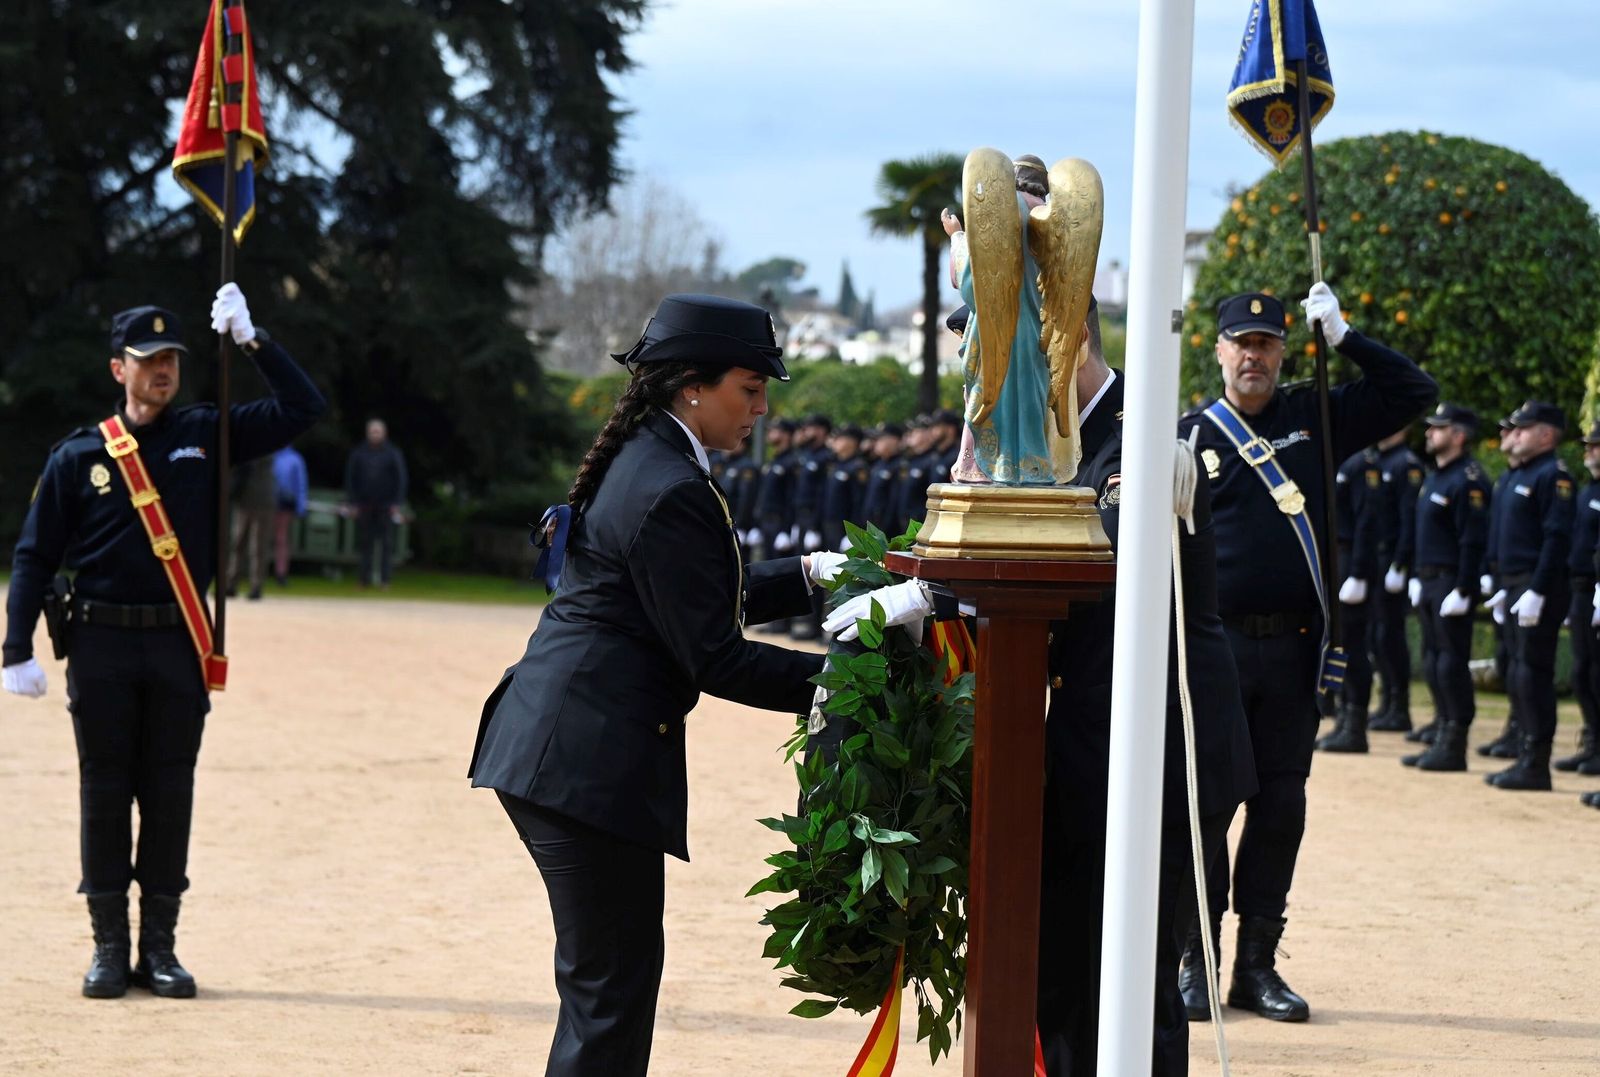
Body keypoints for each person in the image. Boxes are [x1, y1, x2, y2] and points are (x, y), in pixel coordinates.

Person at [823, 306, 1256, 1074]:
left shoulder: (1139, 442)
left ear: (1068, 341)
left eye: (1004, 361)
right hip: (1087, 745)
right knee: (1060, 969)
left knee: (1131, 984)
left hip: (1156, 752)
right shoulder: (1060, 446)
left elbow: (1096, 562)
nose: (990, 386)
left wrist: (937, 595)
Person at [467, 294, 843, 1077]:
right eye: (750, 388)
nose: (762, 408)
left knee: (609, 992)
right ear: (692, 386)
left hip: (567, 750)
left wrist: (806, 573)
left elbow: (686, 594)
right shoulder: (672, 483)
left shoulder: (651, 457)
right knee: (609, 998)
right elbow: (716, 655)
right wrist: (852, 681)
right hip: (582, 763)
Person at [2, 285, 325, 999]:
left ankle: (161, 948)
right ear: (118, 369)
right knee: (104, 793)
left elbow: (304, 409)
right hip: (100, 646)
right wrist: (15, 646)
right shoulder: (78, 455)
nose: (163, 370)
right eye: (148, 360)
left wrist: (253, 341)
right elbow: (34, 555)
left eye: (171, 358)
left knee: (170, 793)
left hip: (177, 646)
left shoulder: (206, 434)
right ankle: (109, 947)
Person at [1176, 284, 1436, 1022]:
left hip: (1294, 651)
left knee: (1281, 807)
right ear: (1219, 351)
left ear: (1284, 353)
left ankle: (1256, 966)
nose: (1253, 357)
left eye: (1266, 345)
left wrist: (1347, 337)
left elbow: (1414, 392)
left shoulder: (1314, 416)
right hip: (1218, 649)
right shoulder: (1190, 436)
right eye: (1242, 343)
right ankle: (1197, 958)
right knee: (1207, 806)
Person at [1482, 401, 1575, 791]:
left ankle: (1536, 763)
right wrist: (1496, 580)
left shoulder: (1553, 475)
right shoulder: (1517, 474)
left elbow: (1557, 538)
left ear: (1546, 434)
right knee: (1517, 671)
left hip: (1537, 585)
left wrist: (1538, 589)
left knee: (1533, 674)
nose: (1515, 435)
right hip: (1514, 584)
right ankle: (1523, 753)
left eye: (1524, 428)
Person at [1399, 403, 1491, 771]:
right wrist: (1415, 576)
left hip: (1451, 581)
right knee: (1434, 661)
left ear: (1459, 435)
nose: (1429, 433)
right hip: (1429, 579)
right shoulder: (1436, 476)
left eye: (1438, 428)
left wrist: (1465, 588)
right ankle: (1441, 730)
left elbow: (1472, 540)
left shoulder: (1468, 479)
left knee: (1451, 663)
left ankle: (1455, 742)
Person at [1316, 445, 1385, 753]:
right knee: (1336, 646)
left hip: (1350, 560)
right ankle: (1344, 716)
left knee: (1352, 646)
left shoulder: (1361, 463)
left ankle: (1356, 724)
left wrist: (1358, 573)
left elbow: (1368, 521)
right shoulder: (1337, 456)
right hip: (1334, 557)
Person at [1370, 429, 1426, 732]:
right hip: (1376, 559)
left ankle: (1399, 705)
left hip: (1392, 559)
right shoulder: (1378, 460)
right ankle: (1387, 701)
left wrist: (1401, 563)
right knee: (1377, 636)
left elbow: (1409, 519)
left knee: (1390, 634)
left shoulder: (1407, 464)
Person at [1556, 422, 1600, 774]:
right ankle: (1593, 741)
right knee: (1582, 672)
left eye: (1595, 446)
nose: (1589, 451)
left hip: (1596, 589)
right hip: (1582, 590)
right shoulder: (1588, 490)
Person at [343, 417, 408, 588]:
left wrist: (396, 503)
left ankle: (385, 580)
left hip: (386, 505)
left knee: (386, 543)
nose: (375, 434)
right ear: (367, 433)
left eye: (378, 431)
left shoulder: (392, 453)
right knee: (365, 542)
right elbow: (351, 478)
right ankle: (363, 579)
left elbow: (400, 479)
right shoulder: (359, 453)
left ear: (384, 433)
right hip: (364, 504)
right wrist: (353, 502)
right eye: (372, 431)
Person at [227, 456, 277, 600]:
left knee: (257, 547)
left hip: (262, 502)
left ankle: (255, 586)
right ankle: (232, 583)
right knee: (239, 544)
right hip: (245, 501)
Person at [820, 423, 869, 551]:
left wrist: (853, 533)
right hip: (829, 524)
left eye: (839, 438)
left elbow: (859, 502)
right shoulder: (835, 464)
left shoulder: (857, 467)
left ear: (851, 442)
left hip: (844, 528)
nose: (834, 442)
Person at [271, 442, 309, 587]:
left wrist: (300, 505)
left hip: (285, 503)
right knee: (262, 538)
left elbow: (300, 483)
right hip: (267, 502)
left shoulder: (295, 459)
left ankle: (281, 573)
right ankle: (257, 574)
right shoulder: (269, 456)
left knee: (281, 539)